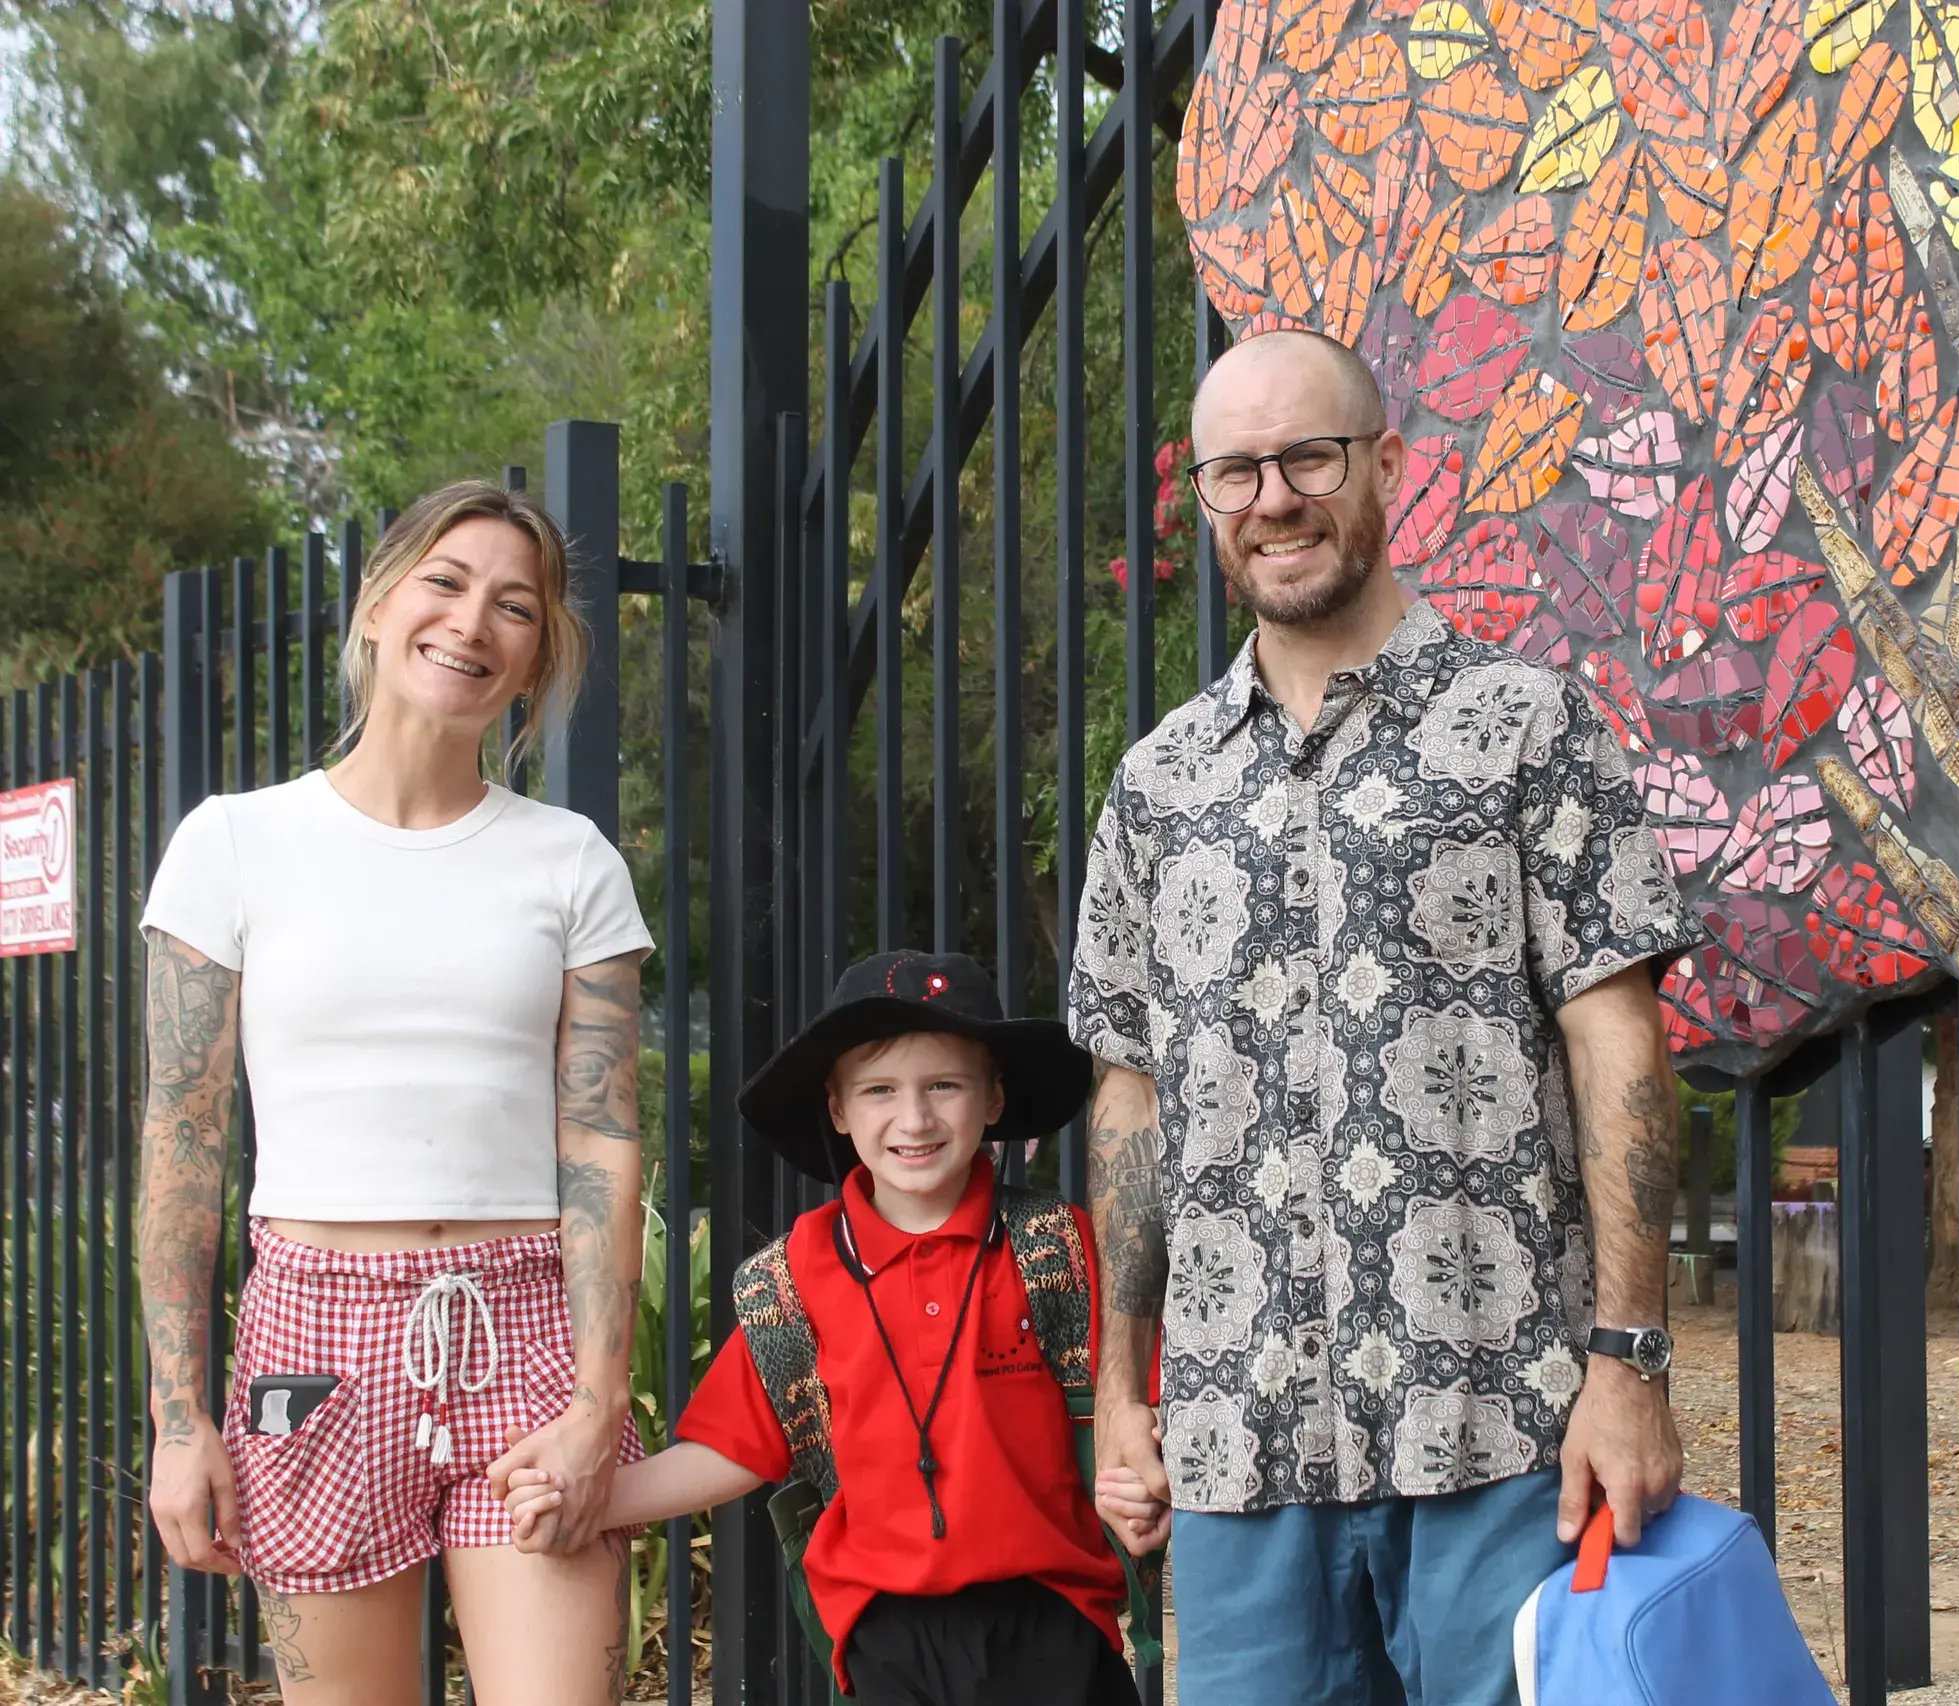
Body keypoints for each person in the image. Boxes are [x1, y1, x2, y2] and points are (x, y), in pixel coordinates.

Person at [1069, 327, 1701, 1706]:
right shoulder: (1158, 785)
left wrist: (1630, 1361)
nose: (1274, 498)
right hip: (1238, 1449)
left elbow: (1621, 1046)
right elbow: (1130, 1097)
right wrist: (1125, 1387)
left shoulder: (1529, 726)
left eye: (1309, 456)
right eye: (1236, 471)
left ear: (1387, 465)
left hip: (1503, 1423)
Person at [136, 480, 653, 1705]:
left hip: (523, 1328)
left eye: (514, 605)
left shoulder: (570, 860)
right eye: (446, 580)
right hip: (312, 1339)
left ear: (534, 658)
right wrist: (176, 1418)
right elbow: (182, 1142)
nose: (473, 621)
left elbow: (602, 1137)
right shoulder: (233, 844)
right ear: (378, 604)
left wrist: (599, 1397)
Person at [503, 951, 1137, 1706]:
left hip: (1052, 1626)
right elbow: (732, 1446)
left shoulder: (1056, 1249)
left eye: (944, 1084)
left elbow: (1137, 1406)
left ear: (994, 1099)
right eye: (879, 1090)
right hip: (886, 1641)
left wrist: (1137, 1483)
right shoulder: (795, 1281)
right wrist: (596, 1501)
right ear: (837, 1109)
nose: (915, 1118)